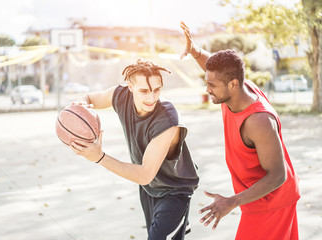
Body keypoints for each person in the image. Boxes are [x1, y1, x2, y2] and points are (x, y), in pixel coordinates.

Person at [180, 21, 300, 239]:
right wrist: (195, 51)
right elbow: (214, 69)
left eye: (212, 86)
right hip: (260, 199)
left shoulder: (258, 120)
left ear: (233, 84)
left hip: (271, 203)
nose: (207, 90)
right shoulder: (237, 89)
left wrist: (232, 201)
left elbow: (278, 175)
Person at [70, 58, 199, 240]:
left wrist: (99, 157)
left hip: (174, 191)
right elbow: (90, 99)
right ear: (130, 87)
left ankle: (178, 218)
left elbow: (145, 173)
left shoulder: (168, 119)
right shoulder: (120, 95)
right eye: (144, 91)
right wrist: (79, 106)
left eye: (156, 90)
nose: (151, 98)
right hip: (149, 189)